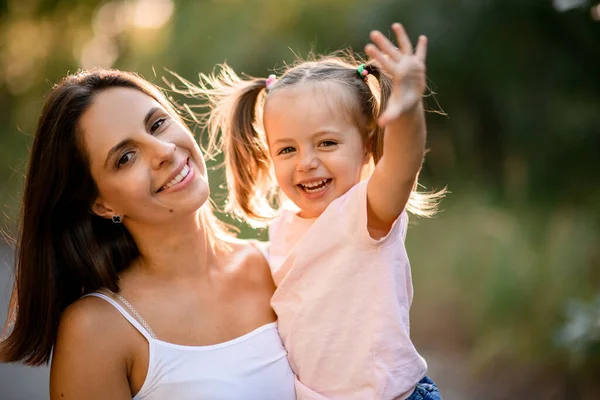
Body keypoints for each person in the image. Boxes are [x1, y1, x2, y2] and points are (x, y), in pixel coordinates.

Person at [0, 69, 296, 400]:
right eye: (126, 157)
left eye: (157, 124)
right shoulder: (97, 331)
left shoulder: (284, 263)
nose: (163, 151)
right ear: (101, 204)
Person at [190, 23, 445, 399]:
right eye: (287, 150)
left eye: (326, 143)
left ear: (366, 144)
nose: (306, 163)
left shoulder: (364, 213)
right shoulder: (282, 227)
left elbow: (402, 166)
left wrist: (408, 114)